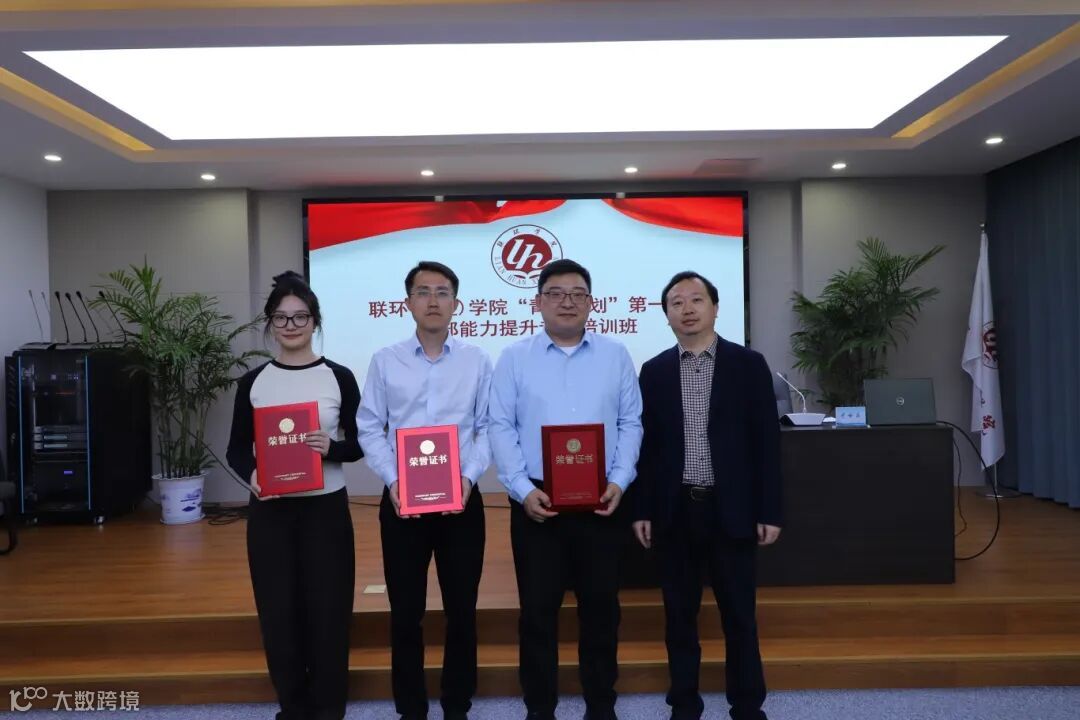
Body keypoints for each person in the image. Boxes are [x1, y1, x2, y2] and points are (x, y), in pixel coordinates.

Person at [489, 258, 643, 720]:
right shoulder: (514, 357)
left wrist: (620, 480)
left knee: (601, 610)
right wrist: (521, 489)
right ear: (538, 302)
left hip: (602, 500)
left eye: (578, 294)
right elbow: (500, 425)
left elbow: (631, 421)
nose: (567, 302)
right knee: (537, 614)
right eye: (556, 293)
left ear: (592, 303)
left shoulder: (615, 354)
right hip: (538, 503)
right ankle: (540, 708)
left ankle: (601, 705)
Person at [632, 271, 782, 720]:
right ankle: (684, 703)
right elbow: (647, 448)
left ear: (715, 308)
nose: (687, 309)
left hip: (731, 508)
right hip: (675, 510)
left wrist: (769, 510)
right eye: (676, 302)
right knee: (679, 616)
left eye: (696, 300)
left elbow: (767, 442)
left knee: (740, 616)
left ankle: (748, 705)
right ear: (666, 315)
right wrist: (642, 509)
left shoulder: (748, 364)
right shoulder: (654, 371)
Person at [357, 261, 492, 720]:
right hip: (402, 504)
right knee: (405, 612)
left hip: (462, 503)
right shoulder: (385, 360)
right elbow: (370, 427)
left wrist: (467, 478)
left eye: (442, 292)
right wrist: (394, 481)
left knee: (462, 609)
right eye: (423, 292)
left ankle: (457, 704)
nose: (433, 300)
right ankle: (411, 707)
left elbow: (487, 427)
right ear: (408, 302)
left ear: (456, 303)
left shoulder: (477, 360)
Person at [226, 271, 363, 720]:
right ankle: (293, 706)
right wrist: (252, 476)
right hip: (272, 513)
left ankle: (329, 706)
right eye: (281, 318)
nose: (291, 325)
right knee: (278, 611)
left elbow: (360, 443)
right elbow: (235, 448)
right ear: (270, 323)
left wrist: (332, 448)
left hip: (326, 509)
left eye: (300, 316)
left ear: (314, 321)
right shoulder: (253, 382)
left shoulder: (339, 377)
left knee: (329, 609)